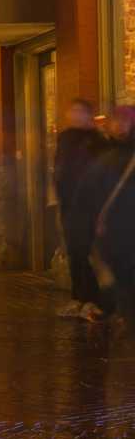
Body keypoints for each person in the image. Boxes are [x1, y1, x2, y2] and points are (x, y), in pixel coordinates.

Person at [53, 100, 108, 318]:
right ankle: (78, 298)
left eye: (80, 111)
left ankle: (92, 300)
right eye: (73, 111)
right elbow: (60, 170)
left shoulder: (97, 141)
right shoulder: (65, 138)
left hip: (91, 207)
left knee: (88, 254)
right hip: (69, 205)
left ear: (89, 115)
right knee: (75, 252)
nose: (75, 115)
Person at [92, 107, 135, 334]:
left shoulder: (108, 157)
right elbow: (88, 195)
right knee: (123, 279)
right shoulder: (104, 157)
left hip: (124, 231)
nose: (120, 126)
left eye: (125, 121)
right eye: (116, 121)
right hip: (115, 233)